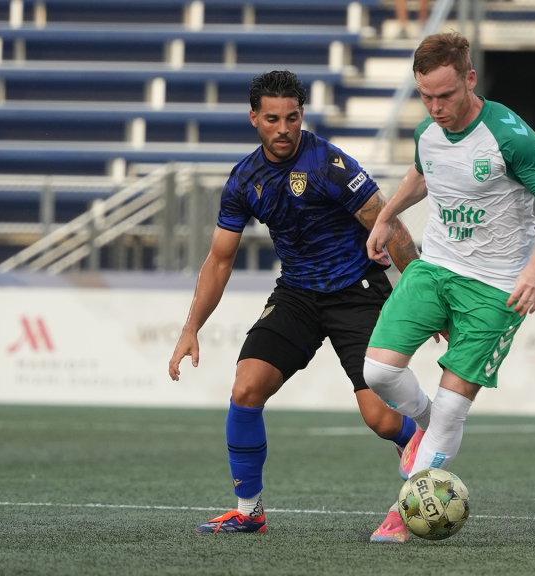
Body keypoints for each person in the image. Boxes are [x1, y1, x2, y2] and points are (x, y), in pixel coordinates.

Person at [167, 70, 424, 534]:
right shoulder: (245, 179)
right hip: (299, 292)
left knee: (382, 419)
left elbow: (391, 227)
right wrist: (191, 327)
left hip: (357, 290)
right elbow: (219, 260)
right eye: (272, 119)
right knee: (246, 388)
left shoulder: (331, 165)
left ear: (302, 115)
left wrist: (428, 296)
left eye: (292, 117)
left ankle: (420, 443)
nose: (283, 128)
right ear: (253, 119)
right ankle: (249, 513)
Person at [359, 32, 535, 543]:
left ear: (469, 79)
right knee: (378, 372)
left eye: (446, 95)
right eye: (426, 96)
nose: (436, 107)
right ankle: (425, 431)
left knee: (454, 407)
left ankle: (405, 512)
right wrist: (387, 216)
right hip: (436, 267)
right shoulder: (427, 133)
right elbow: (423, 173)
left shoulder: (510, 136)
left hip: (498, 286)